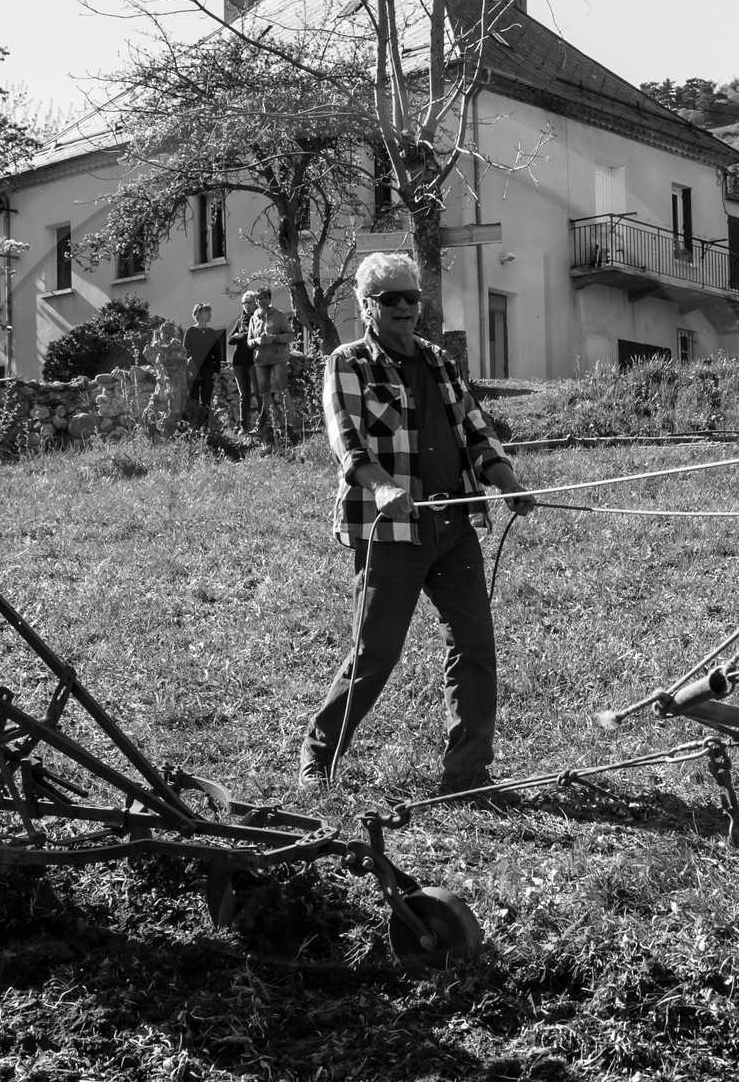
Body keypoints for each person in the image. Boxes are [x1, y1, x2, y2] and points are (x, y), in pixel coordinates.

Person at [299, 253, 535, 801]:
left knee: (474, 647)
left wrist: (507, 481)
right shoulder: (348, 362)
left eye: (411, 296)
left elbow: (476, 429)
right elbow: (346, 438)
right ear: (367, 306)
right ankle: (318, 754)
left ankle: (467, 772)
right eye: (391, 299)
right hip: (391, 532)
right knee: (375, 653)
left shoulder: (438, 361)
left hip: (454, 526)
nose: (405, 307)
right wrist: (382, 487)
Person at [248, 287, 294, 439]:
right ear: (256, 301)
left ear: (270, 299)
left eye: (266, 298)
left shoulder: (279, 315)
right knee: (264, 393)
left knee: (282, 390)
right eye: (260, 298)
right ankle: (275, 424)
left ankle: (289, 424)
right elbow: (249, 342)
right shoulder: (254, 318)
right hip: (261, 360)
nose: (263, 301)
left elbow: (290, 335)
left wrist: (275, 338)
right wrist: (257, 340)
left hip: (278, 358)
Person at [183, 303, 226, 424]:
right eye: (207, 312)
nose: (210, 314)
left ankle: (205, 427)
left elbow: (217, 354)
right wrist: (187, 369)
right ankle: (194, 426)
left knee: (206, 400)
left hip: (208, 370)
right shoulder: (190, 331)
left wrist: (216, 371)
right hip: (193, 370)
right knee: (194, 399)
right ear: (199, 314)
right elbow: (185, 352)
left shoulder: (212, 332)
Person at [227, 290, 260, 434]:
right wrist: (246, 335)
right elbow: (230, 339)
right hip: (239, 361)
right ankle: (243, 427)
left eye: (249, 302)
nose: (246, 305)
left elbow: (259, 335)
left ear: (255, 303)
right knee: (244, 395)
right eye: (244, 303)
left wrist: (239, 335)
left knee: (258, 392)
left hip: (254, 360)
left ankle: (261, 425)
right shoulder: (240, 321)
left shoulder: (260, 318)